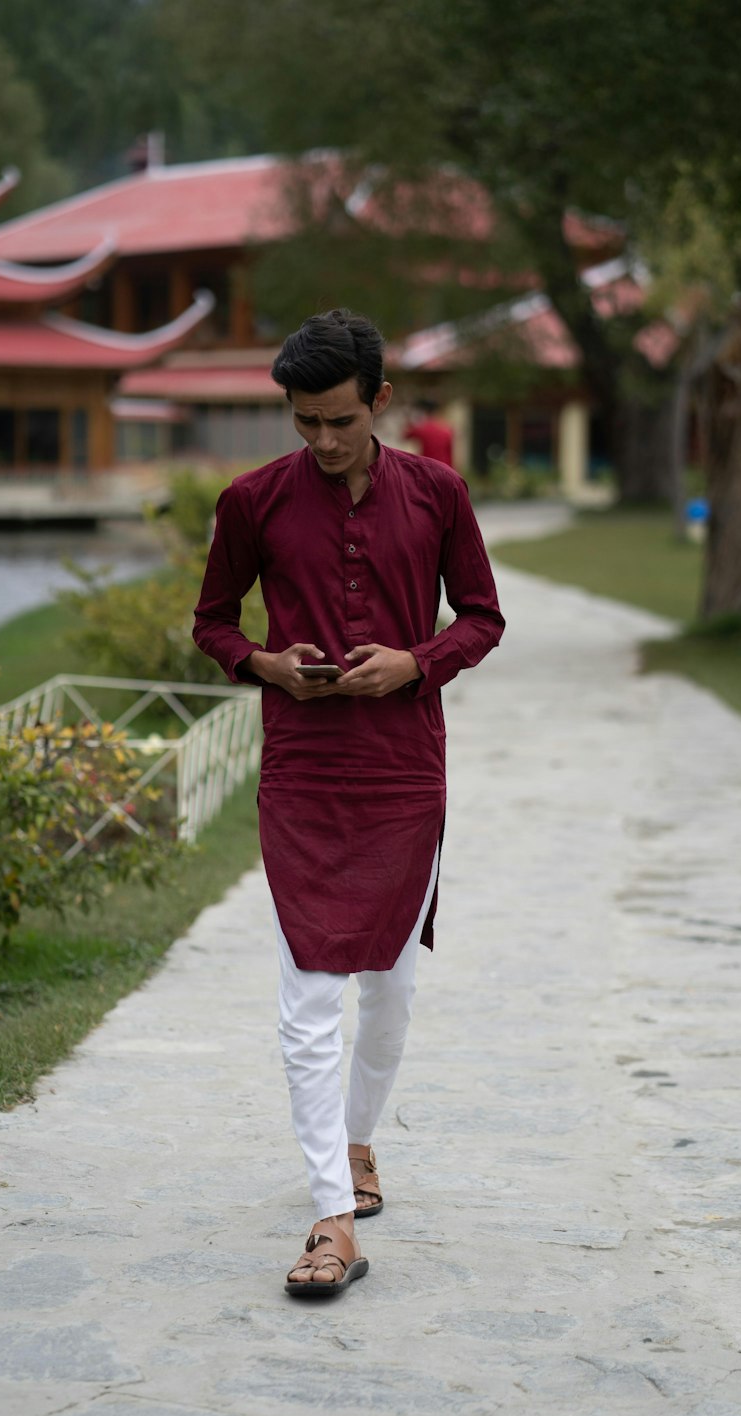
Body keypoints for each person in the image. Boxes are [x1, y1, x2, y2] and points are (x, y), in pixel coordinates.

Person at [192, 309, 504, 1298]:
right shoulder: (252, 501)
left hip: (404, 767)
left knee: (390, 990)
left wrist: (418, 662)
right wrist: (263, 663)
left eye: (338, 421)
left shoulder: (439, 494)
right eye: (302, 423)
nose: (322, 443)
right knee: (308, 996)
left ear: (379, 401)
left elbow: (484, 616)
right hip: (301, 772)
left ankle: (357, 1140)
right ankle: (331, 1215)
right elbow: (212, 623)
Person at [403, 397, 455, 468]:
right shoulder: (446, 429)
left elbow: (406, 435)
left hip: (427, 466)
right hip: (444, 467)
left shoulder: (422, 428)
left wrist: (410, 419)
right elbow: (449, 454)